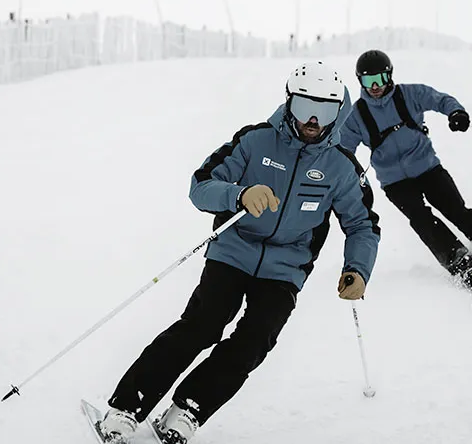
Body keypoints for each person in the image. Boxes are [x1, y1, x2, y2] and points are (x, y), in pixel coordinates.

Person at [97, 61, 381, 444]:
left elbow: (362, 224)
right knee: (202, 325)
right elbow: (201, 186)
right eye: (304, 107)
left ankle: (188, 410)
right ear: (288, 102)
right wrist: (238, 195)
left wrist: (357, 269)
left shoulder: (342, 167)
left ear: (339, 111)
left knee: (254, 341)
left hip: (286, 268)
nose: (313, 119)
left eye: (325, 110)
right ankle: (127, 407)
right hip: (233, 251)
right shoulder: (255, 140)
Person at [340, 49, 472, 310]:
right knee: (422, 221)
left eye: (379, 78)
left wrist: (456, 113)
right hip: (395, 183)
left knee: (457, 210)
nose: (375, 87)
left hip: (428, 168)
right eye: (368, 81)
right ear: (360, 82)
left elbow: (441, 100)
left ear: (389, 76)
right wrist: (347, 171)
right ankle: (460, 262)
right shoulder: (357, 115)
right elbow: (344, 149)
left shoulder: (410, 94)